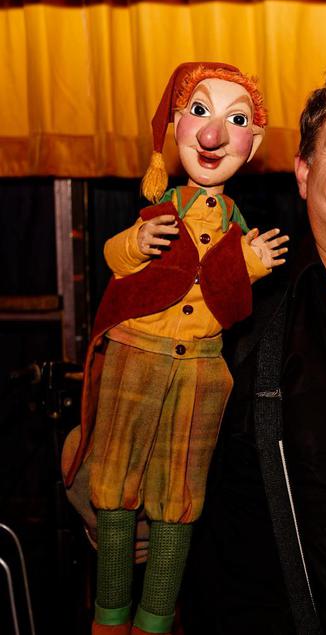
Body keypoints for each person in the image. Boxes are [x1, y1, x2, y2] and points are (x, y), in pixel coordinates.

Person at [62, 62, 288, 635]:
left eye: (237, 120)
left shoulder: (237, 226)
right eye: (200, 112)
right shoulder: (162, 208)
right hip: (135, 357)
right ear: (176, 124)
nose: (214, 134)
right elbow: (115, 261)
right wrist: (137, 242)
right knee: (114, 487)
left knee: (181, 496)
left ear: (255, 143)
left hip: (200, 372)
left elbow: (228, 301)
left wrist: (250, 266)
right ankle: (109, 616)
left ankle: (156, 619)